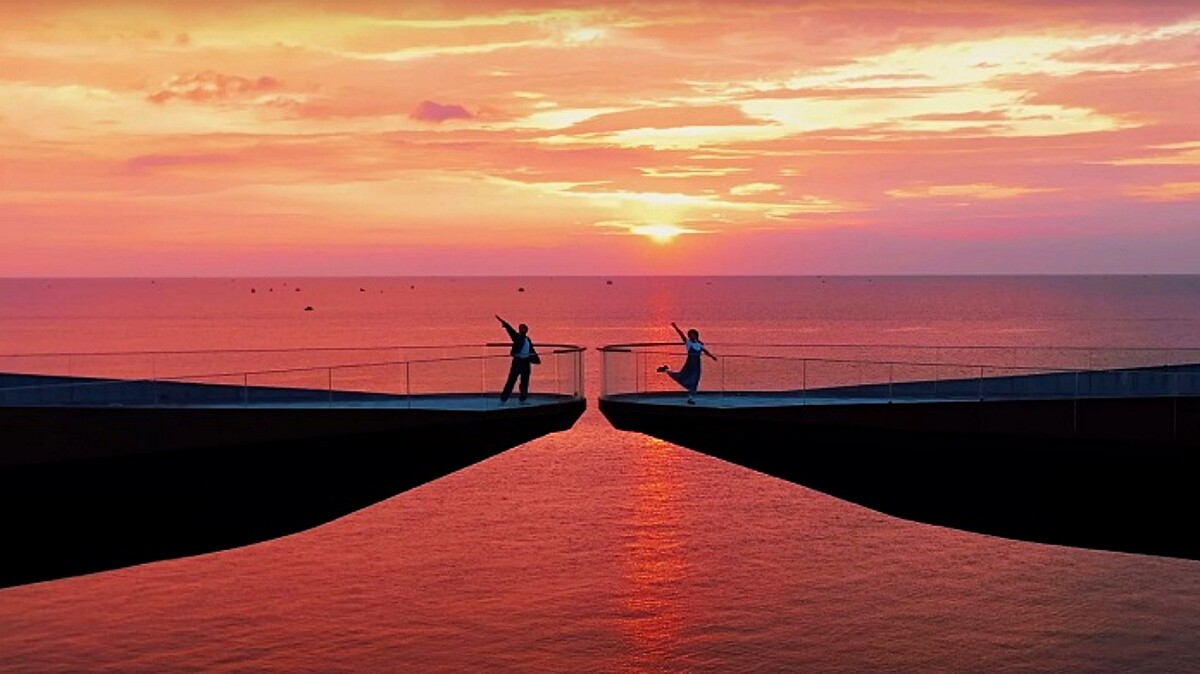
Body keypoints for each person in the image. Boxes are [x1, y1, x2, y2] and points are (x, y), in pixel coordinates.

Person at [657, 321, 716, 404]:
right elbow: (681, 335)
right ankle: (666, 370)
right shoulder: (688, 343)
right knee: (681, 377)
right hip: (690, 364)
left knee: (695, 381)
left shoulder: (699, 344)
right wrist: (675, 327)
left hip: (697, 365)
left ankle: (691, 398)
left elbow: (705, 351)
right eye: (690, 335)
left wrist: (712, 357)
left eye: (693, 335)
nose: (692, 336)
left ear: (696, 335)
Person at [496, 314, 537, 404]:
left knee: (524, 382)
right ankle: (503, 399)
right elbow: (511, 331)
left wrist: (535, 358)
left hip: (526, 362)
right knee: (511, 380)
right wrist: (505, 324)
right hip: (518, 362)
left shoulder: (528, 339)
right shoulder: (517, 337)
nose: (524, 330)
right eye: (522, 328)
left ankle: (523, 399)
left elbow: (531, 349)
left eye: (525, 328)